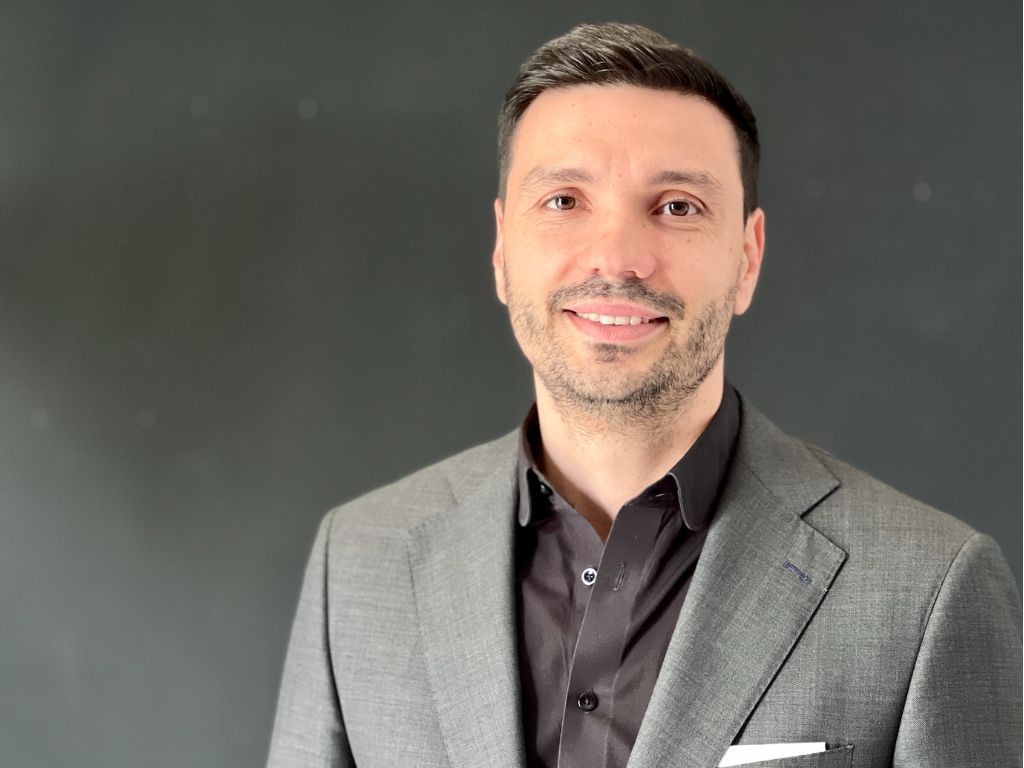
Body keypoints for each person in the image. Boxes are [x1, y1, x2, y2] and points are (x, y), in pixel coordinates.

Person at [266, 23, 1021, 768]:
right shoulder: (357, 563)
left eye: (677, 206)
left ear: (748, 258)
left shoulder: (928, 589)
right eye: (564, 200)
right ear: (501, 250)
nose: (618, 257)